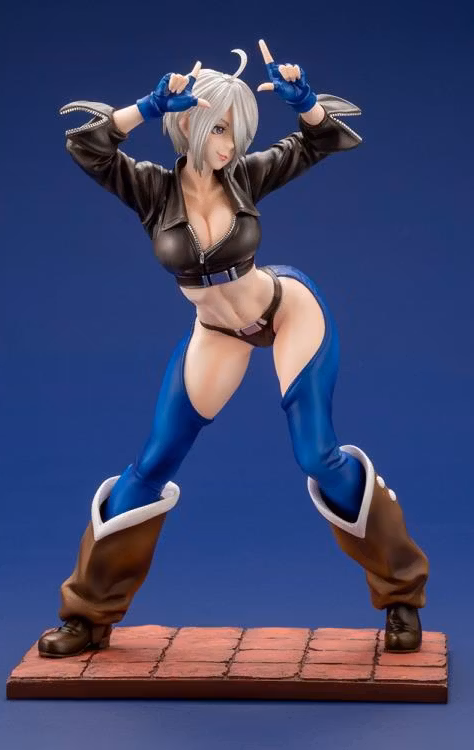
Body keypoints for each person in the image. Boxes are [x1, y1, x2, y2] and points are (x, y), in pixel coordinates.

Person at [38, 40, 429, 658]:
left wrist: (306, 103)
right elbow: (87, 146)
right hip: (218, 331)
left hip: (286, 311)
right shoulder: (151, 189)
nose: (231, 145)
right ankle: (86, 615)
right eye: (219, 129)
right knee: (151, 465)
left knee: (318, 455)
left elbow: (319, 142)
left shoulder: (245, 175)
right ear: (188, 124)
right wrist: (145, 107)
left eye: (238, 131)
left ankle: (402, 594)